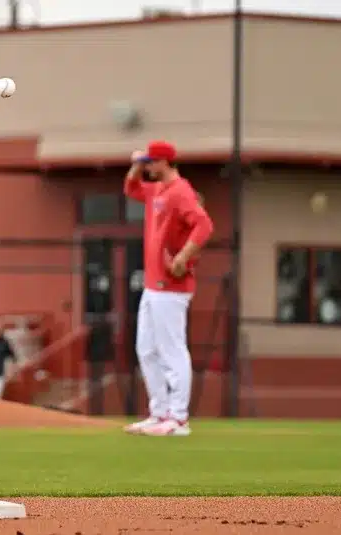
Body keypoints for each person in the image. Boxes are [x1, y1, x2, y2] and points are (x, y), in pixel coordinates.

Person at [122, 141, 214, 437]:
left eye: (151, 162)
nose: (147, 167)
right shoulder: (158, 190)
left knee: (172, 350)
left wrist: (184, 257)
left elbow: (204, 225)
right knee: (146, 350)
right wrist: (136, 164)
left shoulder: (180, 191)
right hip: (153, 285)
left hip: (171, 286)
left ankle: (178, 418)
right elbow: (131, 189)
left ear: (164, 162)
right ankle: (159, 412)